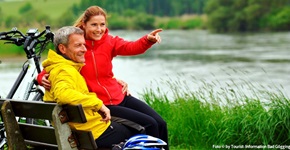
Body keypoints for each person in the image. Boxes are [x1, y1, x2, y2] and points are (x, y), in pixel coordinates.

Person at [39, 6, 168, 149]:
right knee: (149, 124)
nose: (99, 29)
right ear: (84, 24)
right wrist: (40, 78)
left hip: (119, 95)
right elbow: (54, 68)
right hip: (103, 103)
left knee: (160, 123)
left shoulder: (109, 41)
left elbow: (131, 47)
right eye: (94, 24)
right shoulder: (76, 47)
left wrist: (147, 40)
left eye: (102, 24)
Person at [42, 26, 135, 148]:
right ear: (62, 48)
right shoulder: (64, 70)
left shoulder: (59, 67)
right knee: (138, 133)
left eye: (84, 45)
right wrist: (98, 104)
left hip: (80, 131)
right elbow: (63, 94)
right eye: (78, 45)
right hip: (91, 133)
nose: (84, 49)